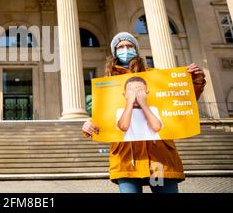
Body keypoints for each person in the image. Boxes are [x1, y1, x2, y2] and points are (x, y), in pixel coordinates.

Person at [82, 31, 206, 193]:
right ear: (114, 53)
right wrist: (89, 124)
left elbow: (180, 100)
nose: (125, 50)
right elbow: (104, 118)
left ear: (136, 49)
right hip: (127, 159)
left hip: (160, 157)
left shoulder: (156, 76)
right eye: (120, 47)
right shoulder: (107, 84)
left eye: (129, 46)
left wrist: (195, 81)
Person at [117, 76, 162, 141]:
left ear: (146, 94)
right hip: (132, 148)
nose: (135, 96)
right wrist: (130, 102)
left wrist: (143, 103)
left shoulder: (152, 109)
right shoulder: (121, 111)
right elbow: (123, 127)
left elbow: (156, 127)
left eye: (139, 92)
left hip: (152, 147)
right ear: (125, 95)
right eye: (131, 93)